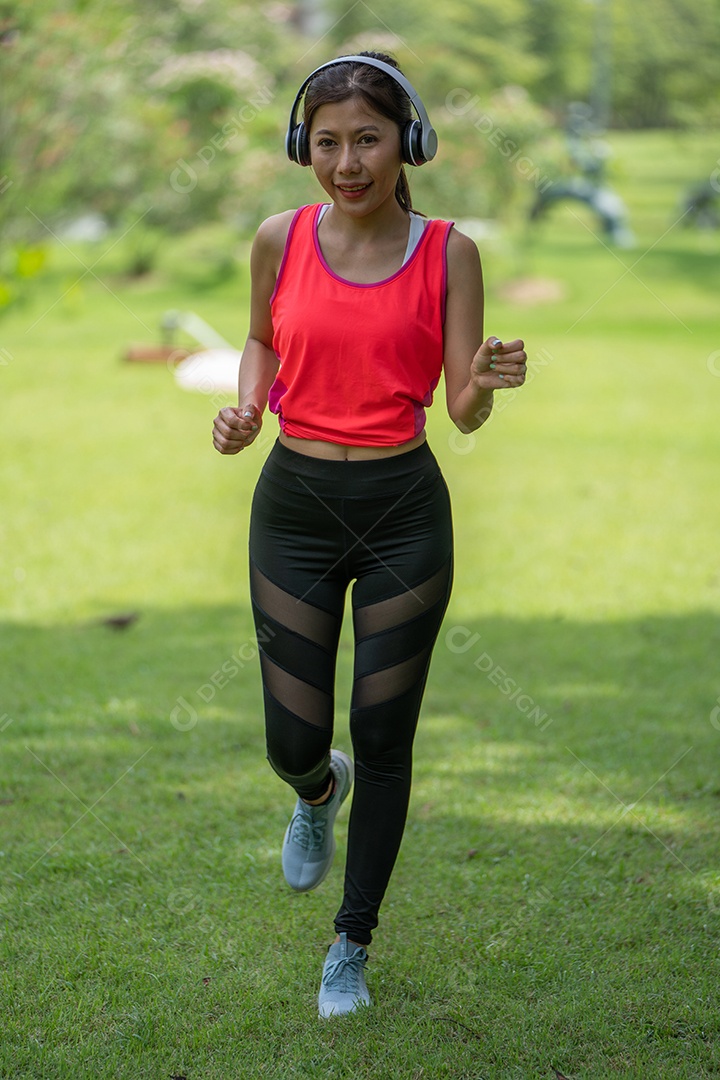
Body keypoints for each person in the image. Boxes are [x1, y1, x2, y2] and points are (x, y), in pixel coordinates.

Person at [212, 51, 527, 1018]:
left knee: (385, 737)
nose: (347, 161)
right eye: (329, 140)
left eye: (369, 140)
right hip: (295, 509)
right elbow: (262, 336)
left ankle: (351, 943)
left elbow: (461, 410)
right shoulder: (278, 237)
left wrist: (486, 376)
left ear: (409, 145)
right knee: (293, 739)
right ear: (303, 143)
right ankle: (315, 793)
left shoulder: (449, 253)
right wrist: (247, 405)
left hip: (402, 511)